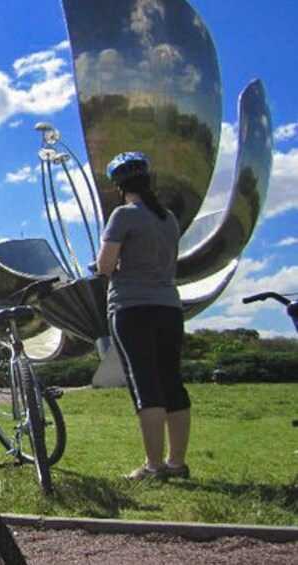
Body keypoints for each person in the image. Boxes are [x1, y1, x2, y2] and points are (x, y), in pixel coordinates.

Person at [96, 151, 190, 481]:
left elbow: (105, 266)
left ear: (119, 187)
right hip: (169, 306)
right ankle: (176, 463)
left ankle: (153, 466)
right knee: (171, 382)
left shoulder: (123, 215)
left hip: (132, 307)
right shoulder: (169, 219)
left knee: (145, 384)